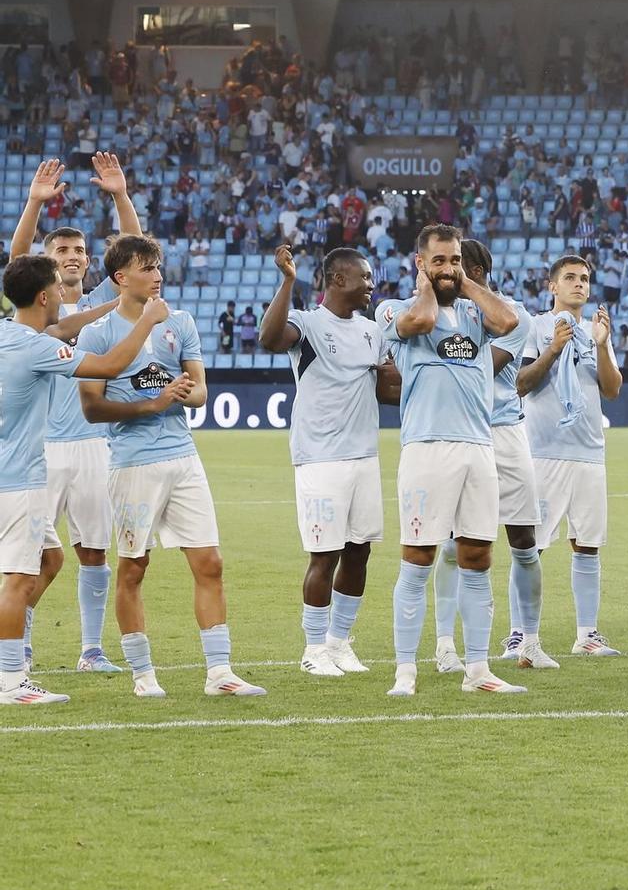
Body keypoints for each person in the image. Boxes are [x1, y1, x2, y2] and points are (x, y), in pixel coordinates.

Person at [79, 233, 267, 696]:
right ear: (121, 278)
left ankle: (220, 673)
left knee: (210, 562)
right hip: (132, 463)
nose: (158, 275)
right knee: (133, 567)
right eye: (146, 268)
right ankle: (144, 676)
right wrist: (150, 405)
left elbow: (201, 393)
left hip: (183, 456)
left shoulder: (179, 322)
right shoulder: (98, 332)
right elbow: (91, 408)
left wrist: (184, 394)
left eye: (158, 266)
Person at [0, 256, 169, 706]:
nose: (62, 295)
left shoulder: (6, 333)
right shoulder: (37, 348)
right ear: (43, 297)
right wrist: (147, 319)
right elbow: (111, 365)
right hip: (18, 482)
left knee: (51, 559)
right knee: (18, 580)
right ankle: (12, 682)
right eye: (57, 288)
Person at [377, 224, 526, 697]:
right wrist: (428, 288)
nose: (448, 269)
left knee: (478, 556)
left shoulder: (473, 310)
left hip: (478, 447)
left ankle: (478, 670)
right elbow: (418, 324)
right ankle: (406, 670)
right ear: (419, 262)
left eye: (454, 260)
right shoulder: (397, 309)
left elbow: (509, 323)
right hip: (427, 448)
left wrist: (465, 284)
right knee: (418, 558)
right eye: (438, 261)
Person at [8, 154, 141, 673]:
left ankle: (90, 650)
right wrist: (35, 203)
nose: (72, 255)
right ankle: (18, 641)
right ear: (47, 261)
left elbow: (133, 256)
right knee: (33, 557)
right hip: (39, 449)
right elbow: (18, 257)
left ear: (90, 261)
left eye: (80, 250)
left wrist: (120, 196)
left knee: (92, 553)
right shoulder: (34, 308)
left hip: (93, 445)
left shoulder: (106, 296)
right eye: (61, 248)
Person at [258, 244, 399, 678]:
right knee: (325, 555)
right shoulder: (308, 323)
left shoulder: (372, 330)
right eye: (365, 277)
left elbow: (388, 394)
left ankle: (339, 643)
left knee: (359, 552)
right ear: (338, 279)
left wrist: (393, 370)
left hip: (364, 456)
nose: (371, 285)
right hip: (320, 457)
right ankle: (313, 648)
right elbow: (268, 339)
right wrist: (286, 282)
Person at [517, 254, 625, 657]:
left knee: (588, 544)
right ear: (552, 286)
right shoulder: (536, 327)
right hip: (544, 451)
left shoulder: (596, 330)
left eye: (584, 278)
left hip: (589, 453)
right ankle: (519, 634)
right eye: (570, 278)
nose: (579, 284)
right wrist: (554, 350)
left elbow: (612, 389)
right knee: (530, 546)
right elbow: (521, 383)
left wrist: (600, 345)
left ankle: (587, 635)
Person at [455, 240, 553, 673]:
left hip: (506, 431)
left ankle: (529, 641)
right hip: (461, 433)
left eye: (455, 263)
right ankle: (446, 645)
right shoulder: (445, 313)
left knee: (524, 542)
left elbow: (479, 371)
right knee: (453, 546)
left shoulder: (515, 314)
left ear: (474, 271)